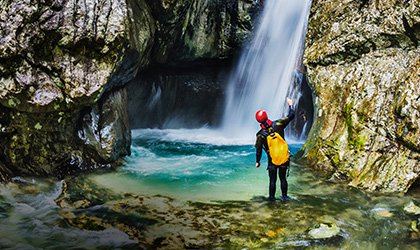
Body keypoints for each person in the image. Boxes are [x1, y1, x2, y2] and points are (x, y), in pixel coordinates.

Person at [255, 98, 295, 201]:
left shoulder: (260, 135)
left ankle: (271, 199)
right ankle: (285, 198)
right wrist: (290, 105)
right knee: (283, 178)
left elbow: (258, 150)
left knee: (272, 180)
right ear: (267, 116)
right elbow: (291, 115)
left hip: (272, 160)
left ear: (258, 121)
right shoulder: (279, 124)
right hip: (283, 158)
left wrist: (257, 161)